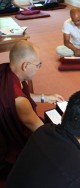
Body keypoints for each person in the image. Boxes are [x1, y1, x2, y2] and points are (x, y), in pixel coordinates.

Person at [0, 40, 64, 179]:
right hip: (6, 153)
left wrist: (44, 98)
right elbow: (42, 132)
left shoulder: (5, 69)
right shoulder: (20, 103)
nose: (39, 68)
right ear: (25, 66)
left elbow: (19, 94)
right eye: (38, 65)